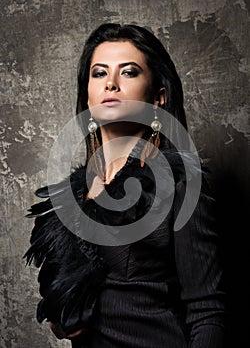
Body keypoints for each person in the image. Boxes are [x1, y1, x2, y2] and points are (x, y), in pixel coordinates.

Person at [24, 23, 225, 348]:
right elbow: (67, 299)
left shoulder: (181, 182)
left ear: (157, 98)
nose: (111, 84)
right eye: (99, 73)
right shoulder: (70, 197)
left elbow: (207, 312)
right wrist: (64, 312)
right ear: (88, 96)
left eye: (129, 73)